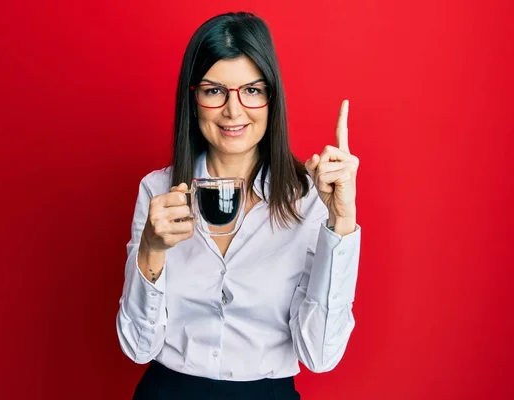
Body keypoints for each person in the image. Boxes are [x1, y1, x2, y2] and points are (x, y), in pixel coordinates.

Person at [116, 11, 361, 400]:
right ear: (193, 99)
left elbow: (320, 355)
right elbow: (137, 347)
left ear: (271, 98)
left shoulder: (310, 199)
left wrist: (341, 223)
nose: (234, 110)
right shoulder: (157, 191)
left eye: (252, 90)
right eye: (214, 91)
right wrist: (151, 249)